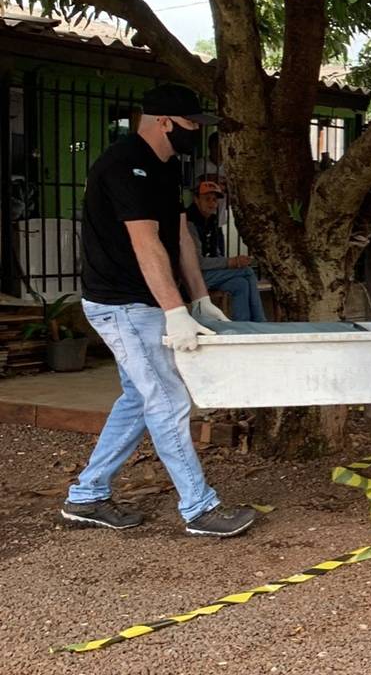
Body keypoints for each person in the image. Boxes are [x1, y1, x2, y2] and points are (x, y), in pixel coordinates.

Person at [63, 84, 256, 537]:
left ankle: (87, 495)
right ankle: (199, 509)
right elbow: (145, 242)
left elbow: (179, 238)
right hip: (121, 305)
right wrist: (173, 310)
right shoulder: (124, 166)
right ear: (165, 122)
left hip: (144, 303)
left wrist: (201, 299)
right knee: (167, 399)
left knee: (139, 398)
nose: (196, 134)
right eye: (191, 125)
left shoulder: (166, 168)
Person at [186, 179, 266, 322]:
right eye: (207, 199)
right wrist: (230, 262)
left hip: (210, 274)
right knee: (247, 272)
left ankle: (243, 326)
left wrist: (228, 263)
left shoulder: (212, 221)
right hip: (192, 277)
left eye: (215, 200)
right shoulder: (189, 223)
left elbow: (216, 253)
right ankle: (260, 322)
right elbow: (197, 262)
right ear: (196, 200)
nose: (212, 203)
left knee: (240, 284)